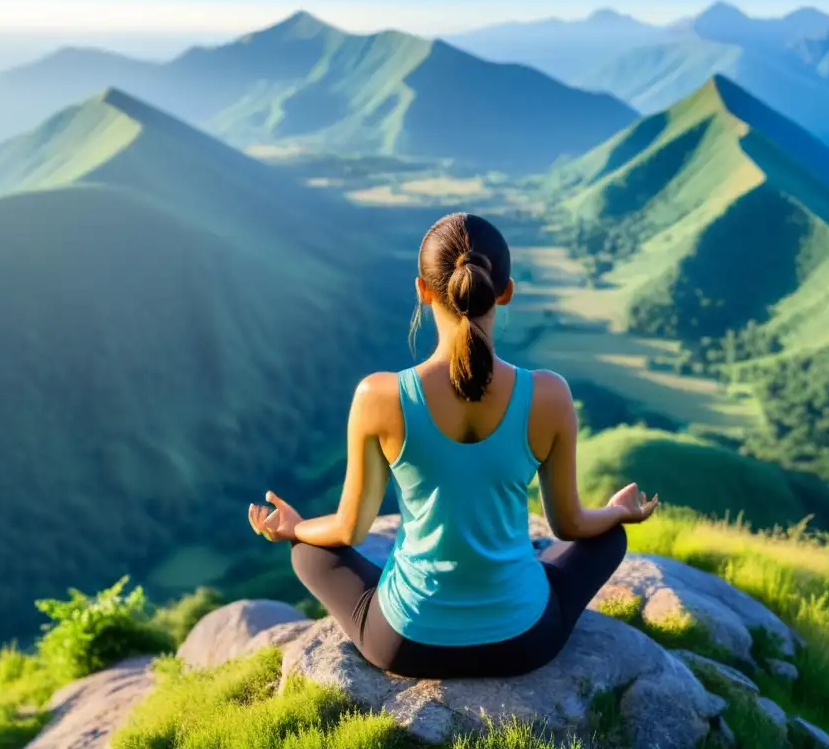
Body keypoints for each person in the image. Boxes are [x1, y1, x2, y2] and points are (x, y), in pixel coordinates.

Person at [248, 212, 659, 679]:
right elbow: (570, 525)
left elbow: (348, 530)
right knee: (606, 539)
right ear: (504, 292)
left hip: (405, 645)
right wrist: (617, 513)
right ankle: (521, 584)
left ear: (423, 290)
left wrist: (296, 528)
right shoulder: (548, 394)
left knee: (307, 552)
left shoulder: (379, 395)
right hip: (523, 643)